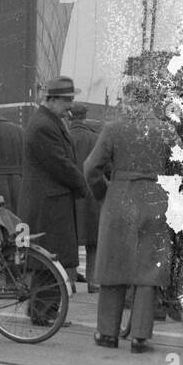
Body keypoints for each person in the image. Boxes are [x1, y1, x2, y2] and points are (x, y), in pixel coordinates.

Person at [83, 80, 178, 352]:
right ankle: (139, 337)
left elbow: (91, 167)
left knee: (114, 267)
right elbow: (182, 167)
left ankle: (107, 334)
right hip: (154, 200)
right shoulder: (165, 130)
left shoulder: (114, 129)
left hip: (120, 199)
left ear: (128, 99)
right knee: (148, 269)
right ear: (150, 101)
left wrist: (104, 191)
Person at [20, 76, 87, 287]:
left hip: (50, 201)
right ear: (52, 99)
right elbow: (60, 163)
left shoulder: (47, 121)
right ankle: (44, 314)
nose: (71, 105)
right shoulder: (43, 125)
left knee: (49, 259)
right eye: (67, 100)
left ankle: (44, 312)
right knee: (48, 259)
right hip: (48, 204)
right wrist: (81, 185)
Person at [68, 104, 102, 291]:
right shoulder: (95, 138)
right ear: (85, 117)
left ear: (70, 117)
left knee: (70, 238)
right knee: (93, 240)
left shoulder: (64, 137)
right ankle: (94, 281)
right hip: (92, 193)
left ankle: (70, 281)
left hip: (71, 193)